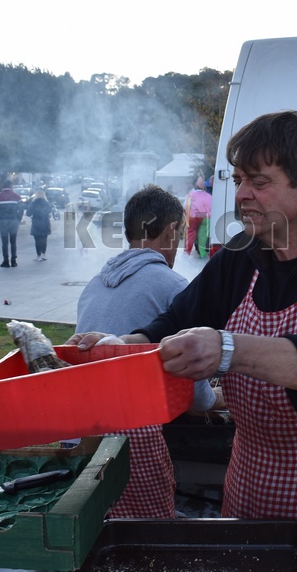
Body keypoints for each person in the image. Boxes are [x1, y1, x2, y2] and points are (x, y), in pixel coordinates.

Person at [67, 110, 297, 553]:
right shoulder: (241, 254)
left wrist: (227, 348)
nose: (242, 194)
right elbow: (174, 321)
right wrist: (123, 344)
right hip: (258, 476)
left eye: (259, 181)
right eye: (238, 180)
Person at [75, 184, 221, 517]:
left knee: (97, 521)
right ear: (172, 231)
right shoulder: (173, 285)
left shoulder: (93, 285)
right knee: (148, 526)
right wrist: (217, 398)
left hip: (79, 432)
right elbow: (197, 395)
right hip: (130, 436)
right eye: (179, 236)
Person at [0, 180, 23, 267]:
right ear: (11, 186)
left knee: (4, 242)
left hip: (3, 221)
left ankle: (6, 261)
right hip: (13, 221)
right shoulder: (17, 196)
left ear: (3, 186)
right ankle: (14, 261)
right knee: (13, 242)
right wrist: (18, 219)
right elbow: (21, 209)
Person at [184, 175, 212, 258]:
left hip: (194, 216)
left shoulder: (191, 195)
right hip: (206, 217)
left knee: (191, 233)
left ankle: (186, 254)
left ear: (195, 186)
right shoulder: (210, 196)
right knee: (202, 237)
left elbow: (186, 206)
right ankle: (202, 255)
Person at [25, 189, 54, 261]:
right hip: (45, 222)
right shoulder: (46, 203)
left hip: (36, 223)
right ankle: (44, 254)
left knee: (37, 240)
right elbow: (50, 210)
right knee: (44, 239)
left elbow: (28, 213)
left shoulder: (33, 203)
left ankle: (38, 255)